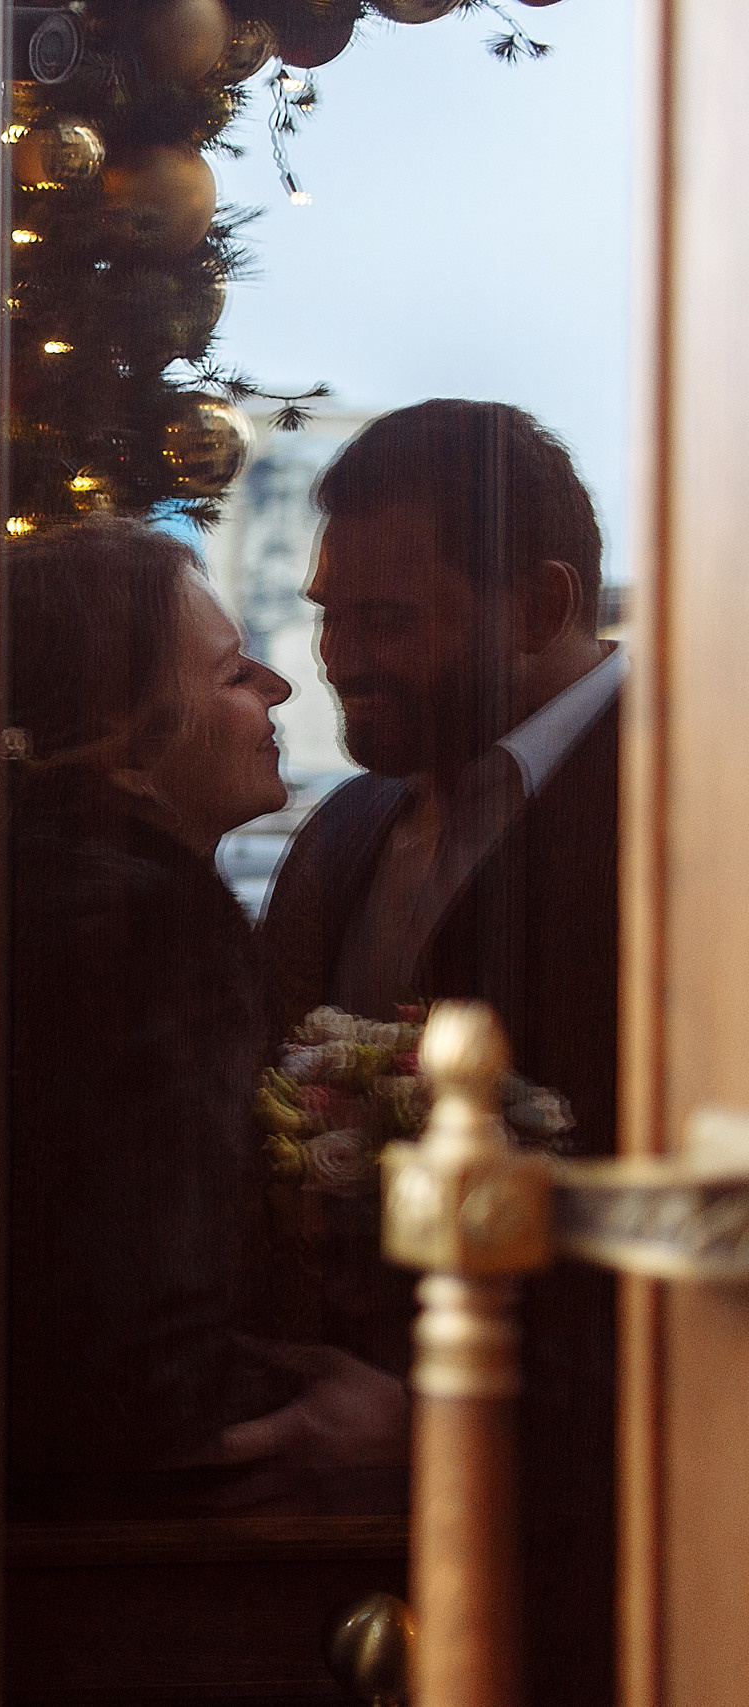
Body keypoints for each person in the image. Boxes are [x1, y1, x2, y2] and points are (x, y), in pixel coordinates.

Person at [260, 399, 620, 1707]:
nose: (338, 660)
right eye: (329, 613)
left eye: (386, 620)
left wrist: (458, 1421)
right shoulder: (347, 826)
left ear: (540, 602)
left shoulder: (697, 810)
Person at [1, 518, 402, 1507]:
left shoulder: (25, 887)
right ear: (127, 749)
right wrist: (333, 1417)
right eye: (230, 673)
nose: (279, 686)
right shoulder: (142, 928)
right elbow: (144, 1375)